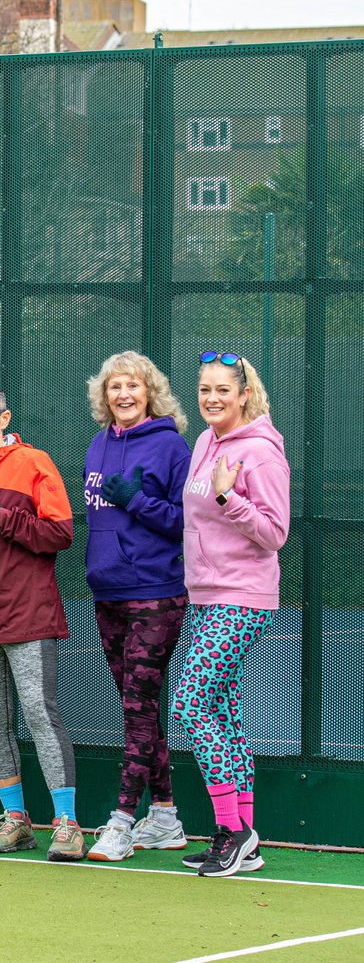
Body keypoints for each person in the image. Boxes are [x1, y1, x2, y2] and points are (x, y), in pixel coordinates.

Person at [0, 376, 84, 861]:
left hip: (29, 615)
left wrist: (0, 518)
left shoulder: (35, 463)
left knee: (41, 714)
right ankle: (16, 821)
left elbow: (60, 534)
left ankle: (67, 823)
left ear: (5, 418)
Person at [173, 352, 289, 878]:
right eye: (204, 390)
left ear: (244, 394)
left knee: (192, 703)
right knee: (219, 711)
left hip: (241, 597)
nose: (212, 399)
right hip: (205, 596)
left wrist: (228, 496)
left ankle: (236, 833)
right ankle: (239, 832)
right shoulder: (205, 442)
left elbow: (274, 532)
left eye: (223, 389)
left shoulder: (260, 453)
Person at [81, 352, 193, 863]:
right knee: (141, 707)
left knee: (137, 708)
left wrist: (137, 500)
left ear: (150, 392)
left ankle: (123, 820)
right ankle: (165, 815)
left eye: (134, 386)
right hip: (109, 592)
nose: (123, 394)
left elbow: (186, 523)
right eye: (114, 387)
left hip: (156, 591)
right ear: (104, 396)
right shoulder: (98, 445)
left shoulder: (171, 446)